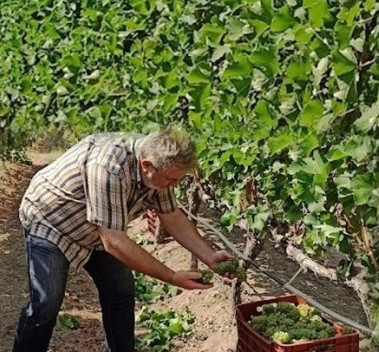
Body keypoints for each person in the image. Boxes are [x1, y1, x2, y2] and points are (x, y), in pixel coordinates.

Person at [12, 128, 234, 352]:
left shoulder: (160, 171)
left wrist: (210, 257)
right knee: (46, 305)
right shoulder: (109, 167)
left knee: (121, 292)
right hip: (53, 220)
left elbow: (173, 218)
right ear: (146, 165)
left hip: (98, 228)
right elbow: (114, 242)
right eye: (171, 180)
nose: (174, 186)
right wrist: (171, 276)